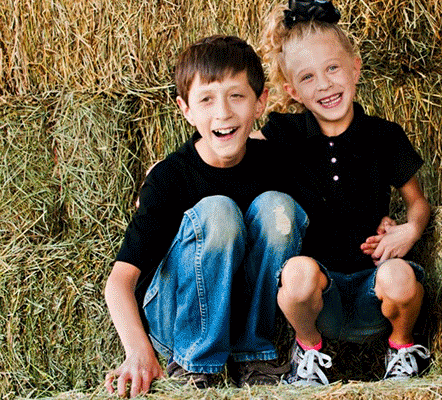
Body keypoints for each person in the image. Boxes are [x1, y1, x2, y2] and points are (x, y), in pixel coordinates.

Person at [104, 35, 307, 397]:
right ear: (186, 109)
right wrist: (137, 351)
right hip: (175, 319)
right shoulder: (170, 177)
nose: (223, 113)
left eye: (237, 96)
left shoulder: (275, 162)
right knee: (218, 212)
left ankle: (253, 353)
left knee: (279, 208)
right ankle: (193, 363)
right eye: (207, 99)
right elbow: (119, 282)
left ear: (260, 103)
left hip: (239, 315)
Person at [253, 0, 432, 385]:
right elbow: (228, 149)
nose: (325, 85)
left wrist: (410, 229)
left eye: (333, 68)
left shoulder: (384, 135)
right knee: (296, 275)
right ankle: (309, 350)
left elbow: (417, 202)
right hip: (320, 297)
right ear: (293, 91)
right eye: (308, 77)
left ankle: (402, 349)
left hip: (374, 284)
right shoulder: (284, 133)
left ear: (355, 68)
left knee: (401, 277)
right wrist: (171, 170)